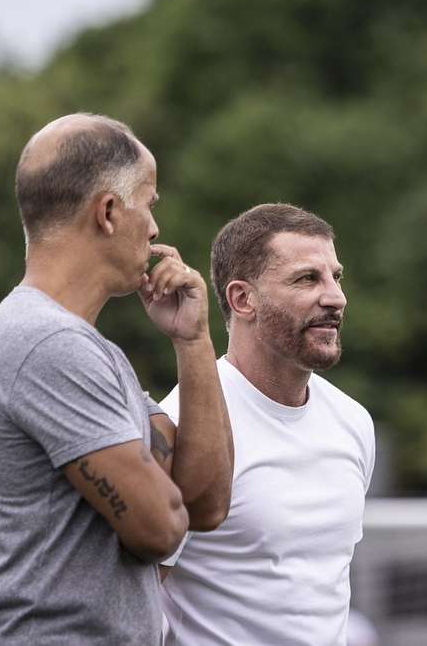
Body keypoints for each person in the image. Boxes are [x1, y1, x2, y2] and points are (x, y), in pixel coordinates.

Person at [0, 113, 234, 645]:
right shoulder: (46, 344)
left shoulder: (89, 351)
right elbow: (160, 527)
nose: (155, 229)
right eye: (149, 204)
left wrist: (194, 340)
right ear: (108, 212)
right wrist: (158, 496)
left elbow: (204, 504)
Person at [158, 203, 375, 646]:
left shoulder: (352, 421)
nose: (335, 297)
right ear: (243, 299)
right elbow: (133, 598)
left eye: (336, 277)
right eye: (307, 279)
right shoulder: (182, 424)